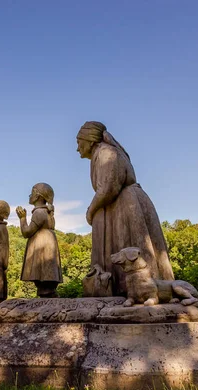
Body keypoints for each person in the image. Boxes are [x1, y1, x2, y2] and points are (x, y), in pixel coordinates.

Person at [76, 121, 175, 296]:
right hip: (118, 206)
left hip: (125, 206)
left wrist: (91, 210)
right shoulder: (102, 154)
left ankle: (140, 292)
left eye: (79, 142)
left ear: (90, 140)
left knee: (131, 244)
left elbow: (108, 188)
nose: (77, 148)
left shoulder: (106, 153)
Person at [16, 183, 63, 298]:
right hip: (48, 243)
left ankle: (46, 291)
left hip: (42, 245)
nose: (30, 195)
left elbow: (27, 232)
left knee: (44, 274)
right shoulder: (46, 212)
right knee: (46, 274)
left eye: (32, 192)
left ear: (38, 196)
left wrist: (22, 219)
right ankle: (47, 290)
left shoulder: (39, 213)